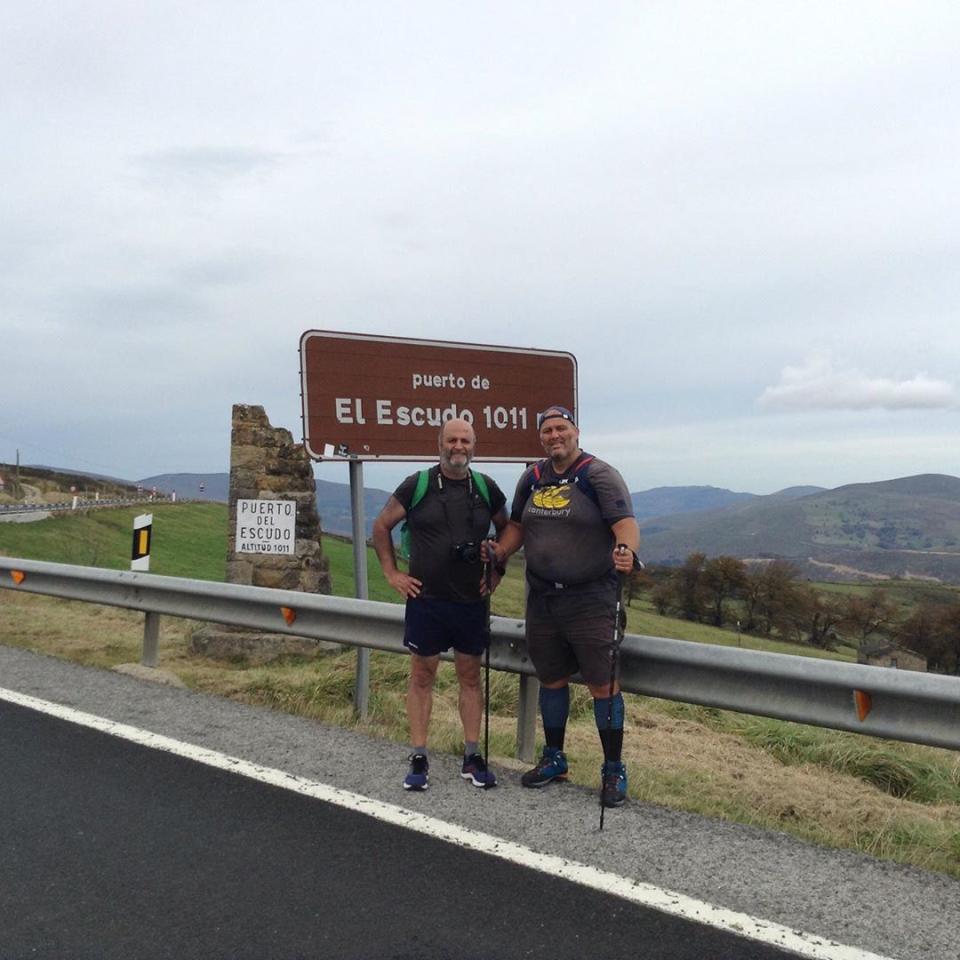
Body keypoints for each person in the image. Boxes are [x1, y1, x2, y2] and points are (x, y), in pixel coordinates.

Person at [485, 405, 640, 808]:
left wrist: (626, 550)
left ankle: (612, 770)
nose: (555, 435)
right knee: (550, 678)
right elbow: (517, 525)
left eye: (562, 428)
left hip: (591, 597)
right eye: (548, 430)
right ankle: (555, 758)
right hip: (543, 597)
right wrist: (499, 551)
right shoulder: (532, 477)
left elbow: (624, 523)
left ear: (576, 432)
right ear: (541, 436)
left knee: (602, 686)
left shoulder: (599, 475)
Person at [373, 418, 508, 791]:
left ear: (474, 446)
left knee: (469, 677)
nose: (458, 446)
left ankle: (471, 755)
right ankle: (419, 755)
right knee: (422, 677)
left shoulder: (485, 487)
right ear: (440, 444)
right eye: (452, 440)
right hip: (426, 599)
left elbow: (508, 530)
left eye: (465, 440)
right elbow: (381, 525)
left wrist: (498, 568)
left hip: (470, 601)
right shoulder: (417, 485)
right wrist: (392, 574)